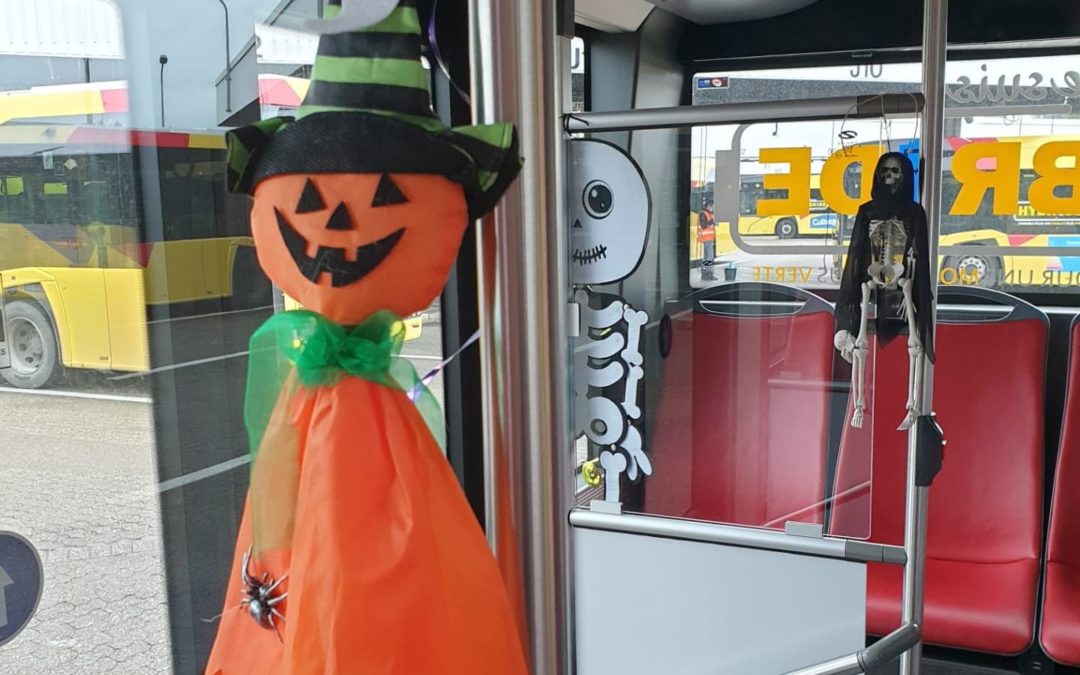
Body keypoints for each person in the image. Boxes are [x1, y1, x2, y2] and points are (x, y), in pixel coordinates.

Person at [697, 197, 716, 281]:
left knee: (706, 256)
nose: (713, 208)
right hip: (706, 238)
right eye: (713, 206)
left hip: (709, 238)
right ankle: (708, 274)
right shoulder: (704, 213)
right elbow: (704, 225)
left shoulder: (709, 213)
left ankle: (704, 273)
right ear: (709, 206)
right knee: (710, 256)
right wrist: (712, 222)